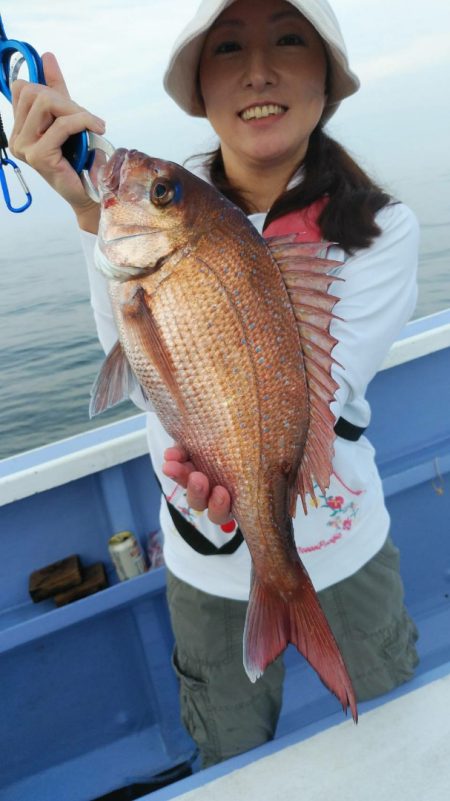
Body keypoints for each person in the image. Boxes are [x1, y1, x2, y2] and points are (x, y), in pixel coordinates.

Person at [10, 0, 420, 769]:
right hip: (201, 566)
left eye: (289, 40)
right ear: (198, 87)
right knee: (227, 747)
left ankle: (289, 588)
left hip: (347, 549)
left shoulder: (379, 225)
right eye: (228, 48)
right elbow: (145, 379)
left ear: (327, 80)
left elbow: (317, 399)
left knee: (399, 741)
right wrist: (88, 212)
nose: (258, 70)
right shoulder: (168, 202)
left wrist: (253, 504)